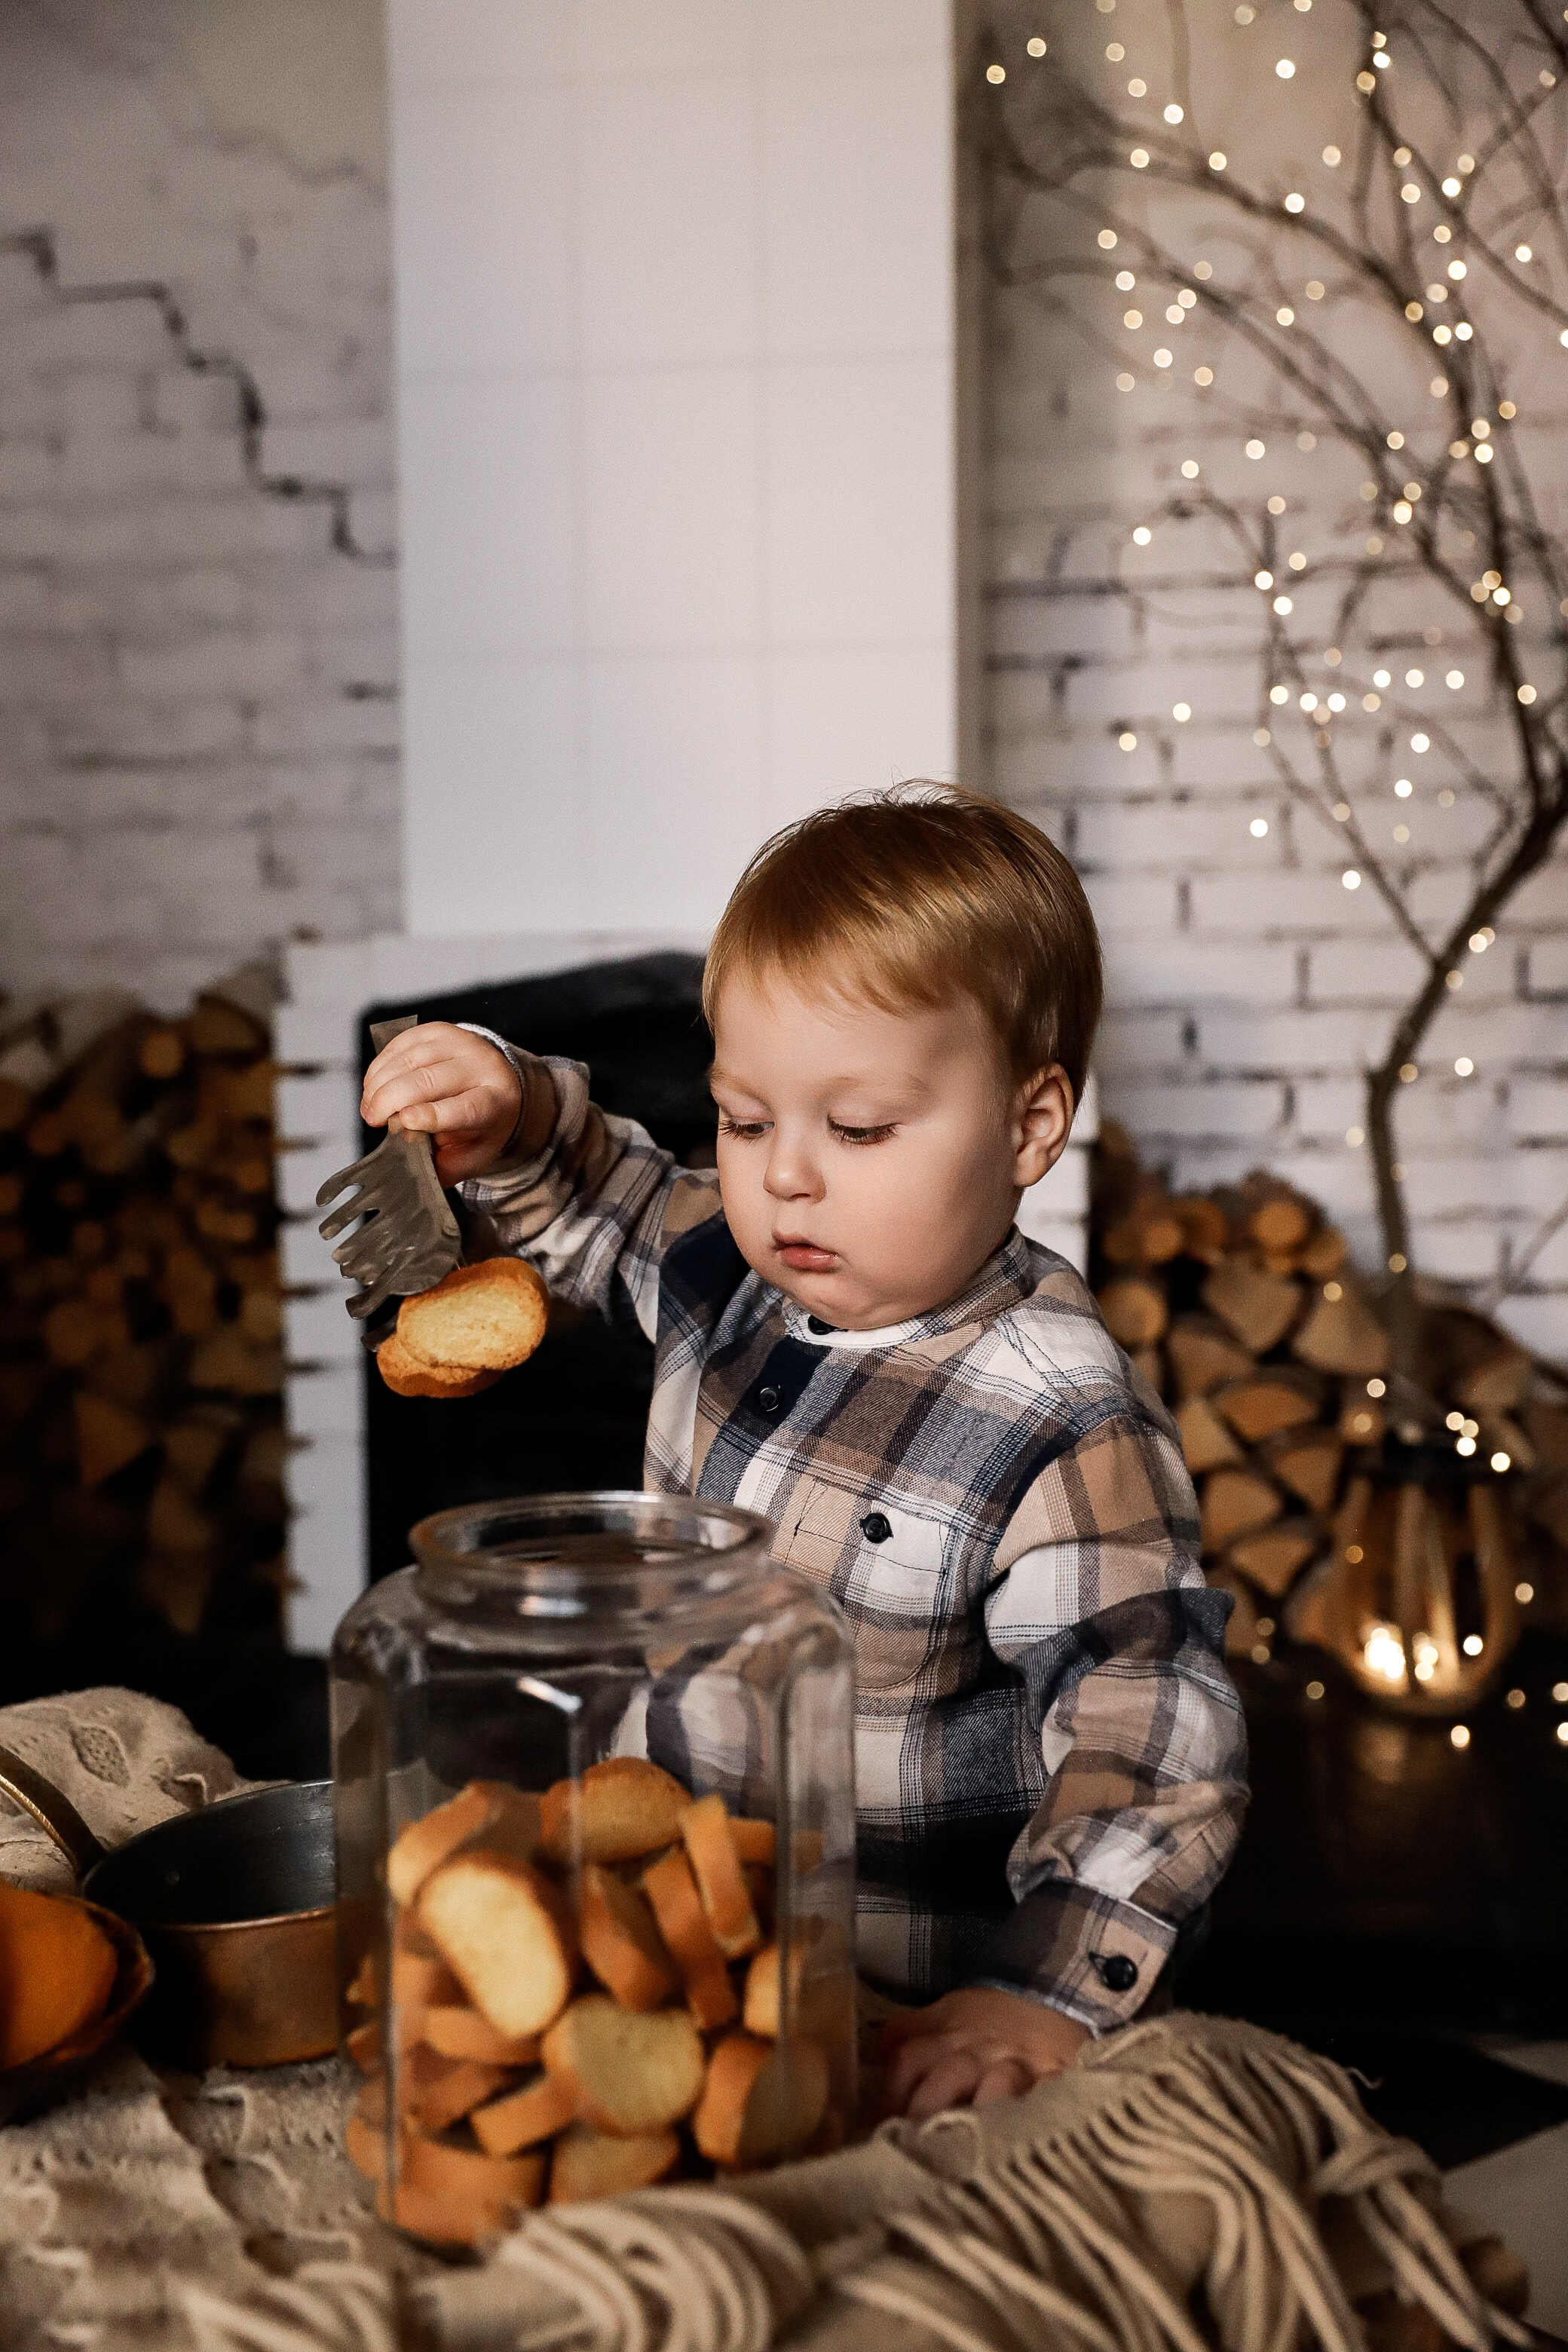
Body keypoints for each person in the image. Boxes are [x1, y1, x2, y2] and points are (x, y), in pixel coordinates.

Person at [360, 786, 1247, 2121]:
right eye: (747, 1116)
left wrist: (1040, 1994)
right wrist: (514, 1117)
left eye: (861, 1129)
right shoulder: (734, 1270)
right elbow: (606, 1189)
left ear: (1028, 1124)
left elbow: (1152, 1725)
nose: (784, 1179)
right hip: (704, 1948)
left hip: (912, 2006)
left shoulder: (1057, 1410)